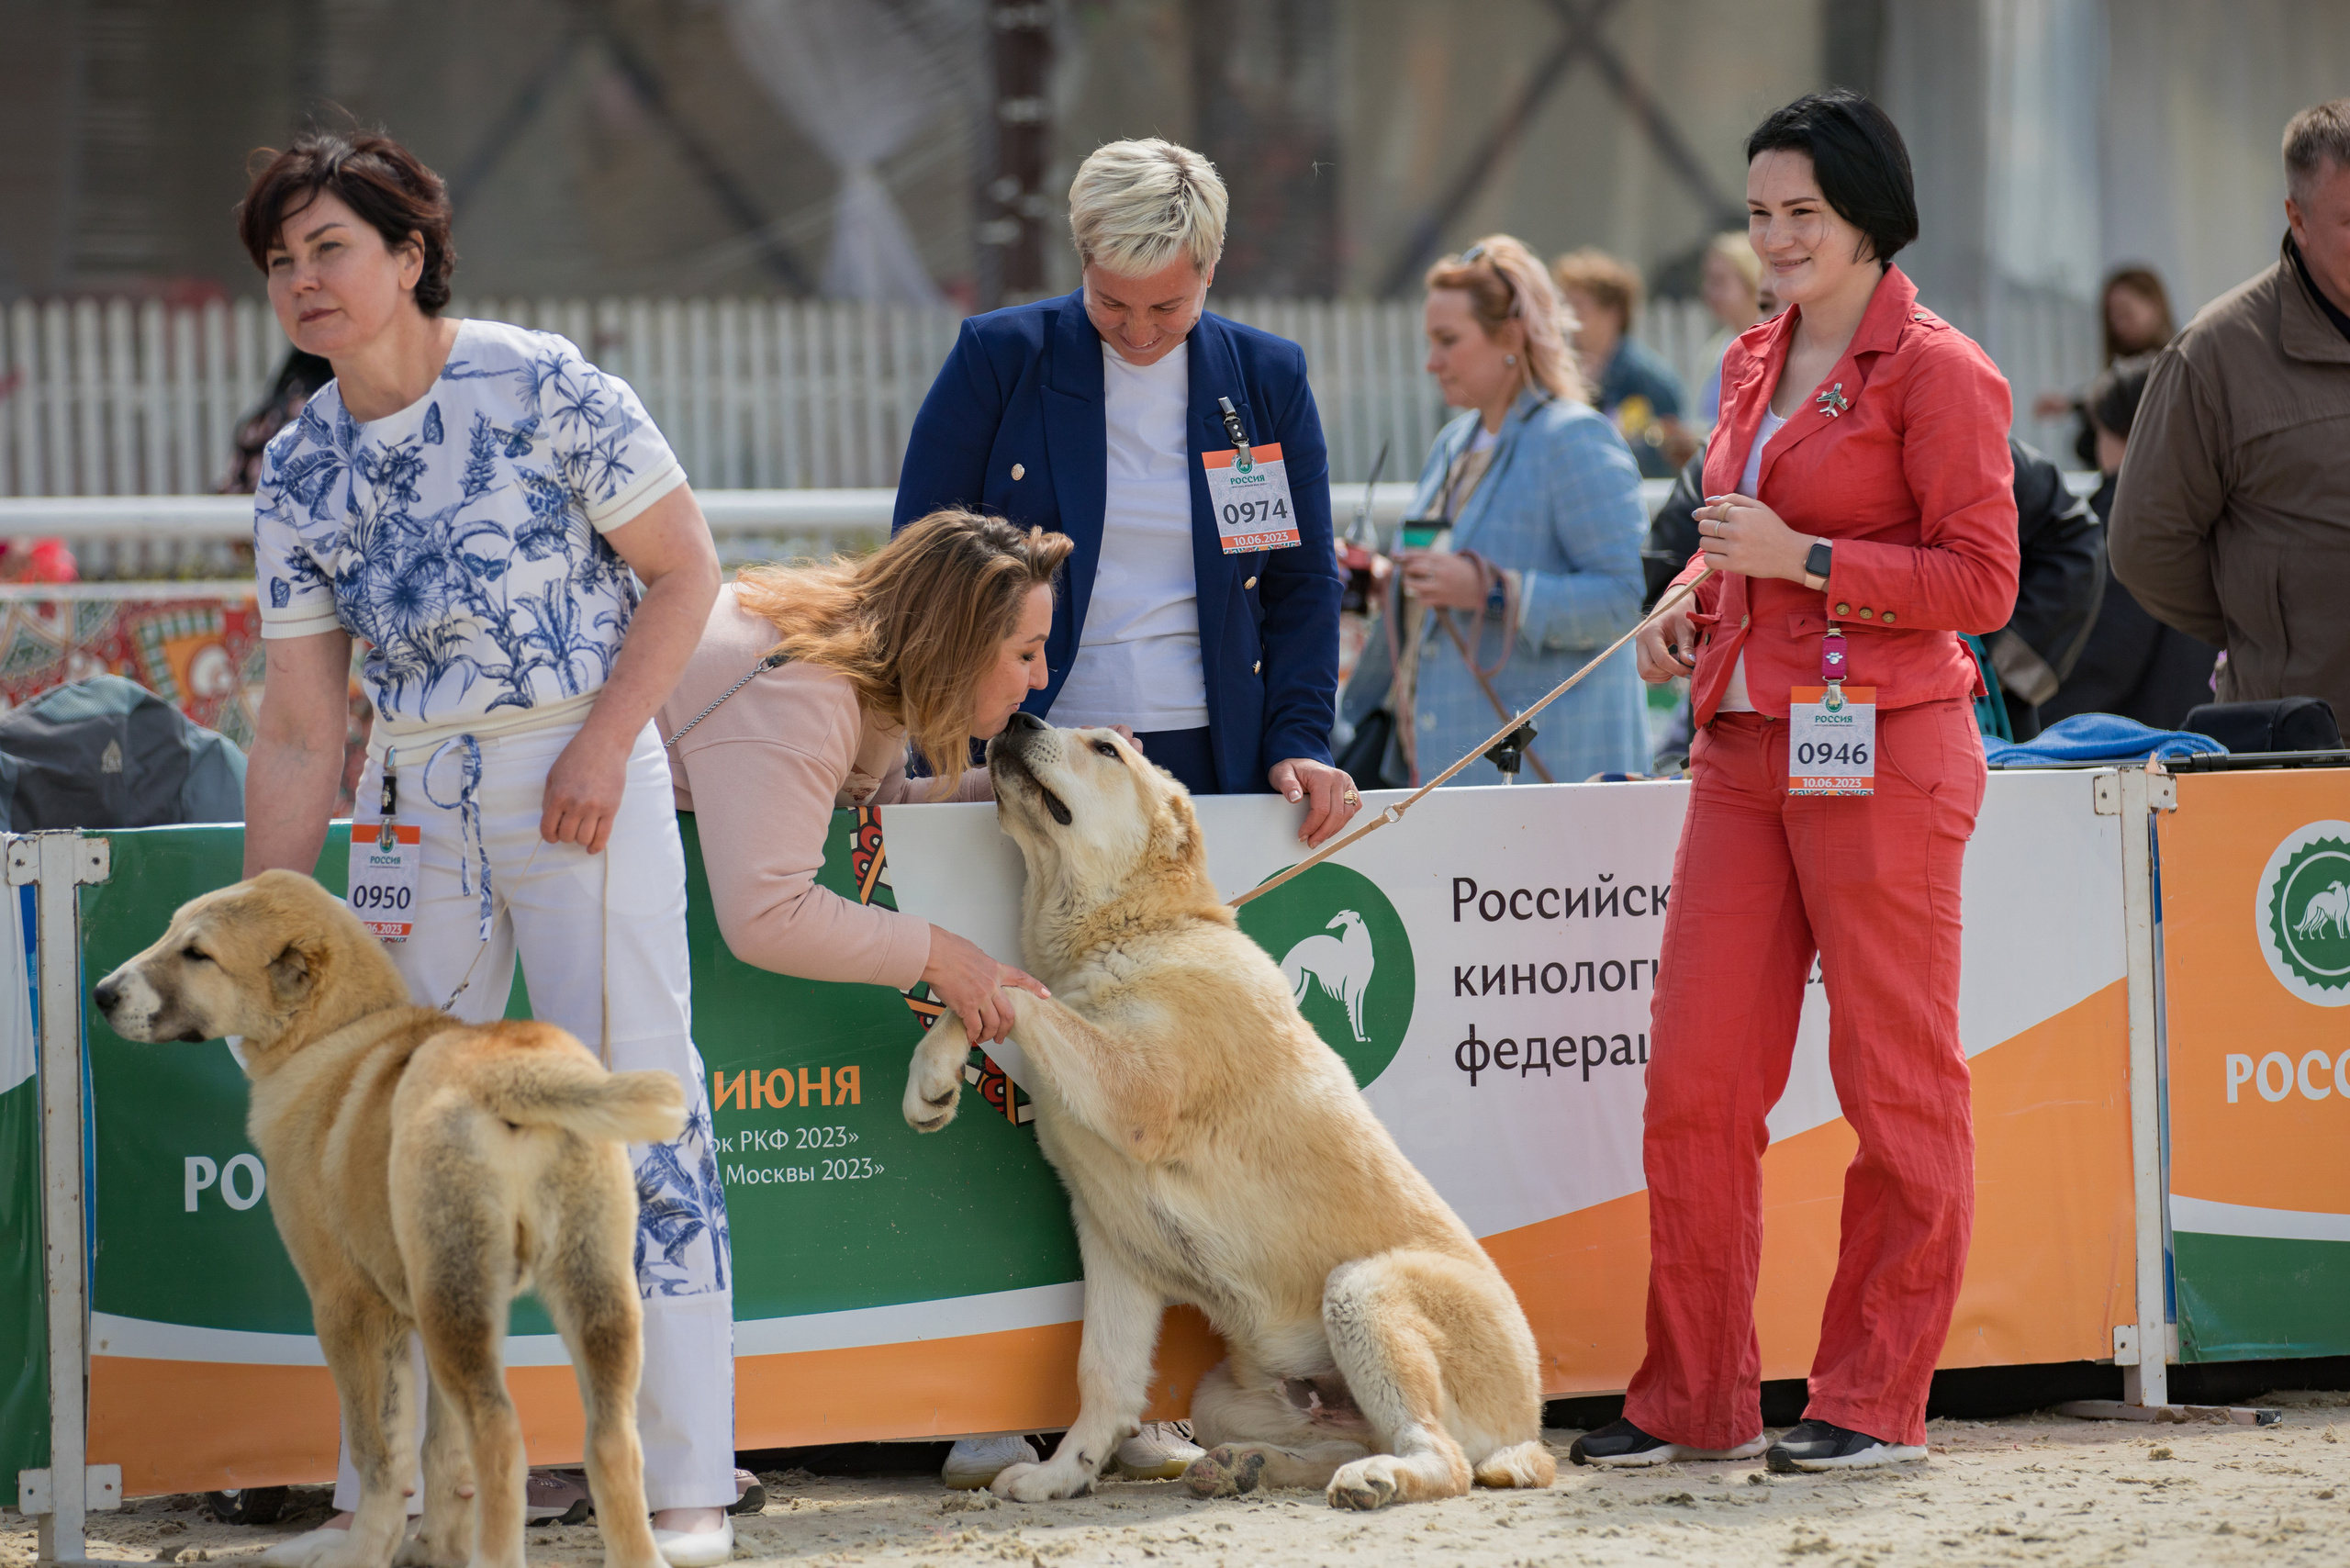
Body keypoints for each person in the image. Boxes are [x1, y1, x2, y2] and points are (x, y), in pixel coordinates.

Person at [233, 129, 741, 1567]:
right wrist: (284, 912)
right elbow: (293, 722)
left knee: (633, 1097)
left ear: (409, 256)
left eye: (331, 247)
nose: (303, 280)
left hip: (582, 760)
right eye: (281, 260)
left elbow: (686, 570)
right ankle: (382, 1500)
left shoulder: (545, 381)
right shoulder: (298, 467)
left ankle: (685, 1484)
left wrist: (599, 745)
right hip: (408, 798)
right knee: (395, 1131)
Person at [1577, 90, 2019, 1475]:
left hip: (1887, 751)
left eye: (1801, 215)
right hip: (1742, 751)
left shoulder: (1944, 371)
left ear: (1868, 216)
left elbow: (1984, 583)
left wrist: (1807, 562)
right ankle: (1689, 1397)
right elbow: (1735, 537)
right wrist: (1691, 599)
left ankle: (1871, 1398)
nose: (1774, 237)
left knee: (1895, 1087)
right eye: (1761, 212)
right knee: (1696, 1086)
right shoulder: (1746, 359)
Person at [656, 509, 1112, 1490]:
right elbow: (767, 910)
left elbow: (850, 802)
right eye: (1025, 651)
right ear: (957, 640)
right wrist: (943, 956)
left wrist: (1014, 786)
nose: (1039, 677)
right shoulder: (805, 687)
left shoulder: (858, 674)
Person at [893, 138, 1358, 850]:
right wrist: (949, 738)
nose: (1139, 333)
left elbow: (1301, 582)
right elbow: (921, 566)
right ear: (1082, 260)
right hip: (1028, 743)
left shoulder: (1268, 378)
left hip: (1216, 749)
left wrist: (1300, 738)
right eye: (1111, 303)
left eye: (1168, 306)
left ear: (1212, 265)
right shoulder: (1001, 358)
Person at [1338, 235, 1650, 786]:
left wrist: (1493, 589)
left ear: (1509, 336)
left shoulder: (1573, 438)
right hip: (1443, 771)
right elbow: (1438, 570)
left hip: (1547, 781)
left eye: (1448, 340)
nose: (1431, 362)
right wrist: (1392, 580)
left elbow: (1624, 603)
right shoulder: (1453, 444)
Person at [2111, 97, 2350, 726]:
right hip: (2297, 747)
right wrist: (2269, 623)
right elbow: (2145, 547)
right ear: (2297, 219)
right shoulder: (2214, 355)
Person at [2039, 356, 2221, 730]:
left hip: (2132, 752)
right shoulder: (2209, 501)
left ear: (2120, 430)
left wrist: (2036, 724)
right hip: (2200, 737)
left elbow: (2107, 651)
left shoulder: (2125, 513)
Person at [1553, 247, 1693, 477]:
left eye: (1577, 306)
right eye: (1563, 305)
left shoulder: (1652, 381)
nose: (1565, 317)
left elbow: (1663, 463)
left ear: (1613, 312)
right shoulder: (1559, 374)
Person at [2031, 267, 2176, 467]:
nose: (2119, 325)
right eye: (2112, 317)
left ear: (2154, 305)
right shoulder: (2122, 371)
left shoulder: (2172, 370)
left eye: (2126, 312)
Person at [1695, 232, 1765, 426]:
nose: (1708, 291)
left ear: (1751, 281)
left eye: (1719, 281)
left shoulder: (1769, 346)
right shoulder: (1717, 347)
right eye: (1707, 280)